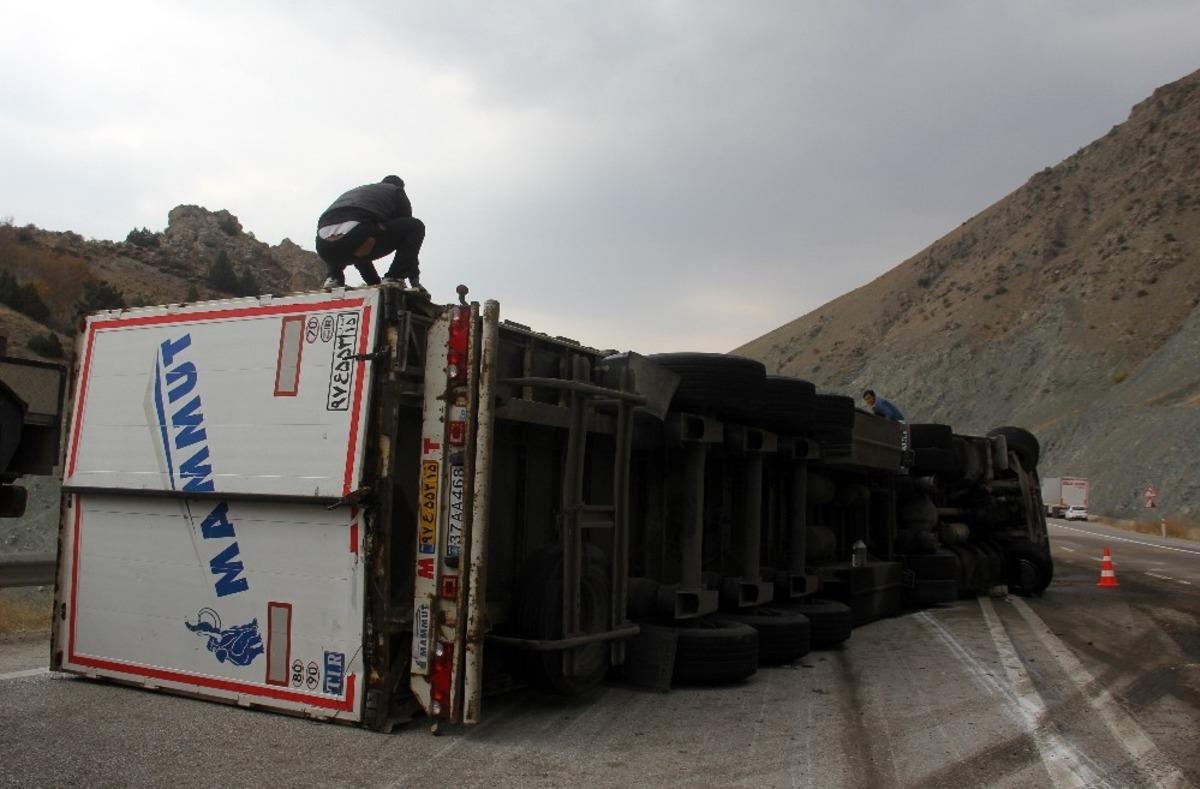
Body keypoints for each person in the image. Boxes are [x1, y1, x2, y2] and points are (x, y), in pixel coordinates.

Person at [315, 175, 426, 291]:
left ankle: (334, 278)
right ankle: (394, 277)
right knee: (415, 226)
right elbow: (409, 241)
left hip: (324, 247)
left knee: (351, 236)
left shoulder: (360, 192)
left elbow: (359, 252)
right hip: (358, 236)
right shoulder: (396, 191)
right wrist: (414, 280)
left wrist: (374, 284)